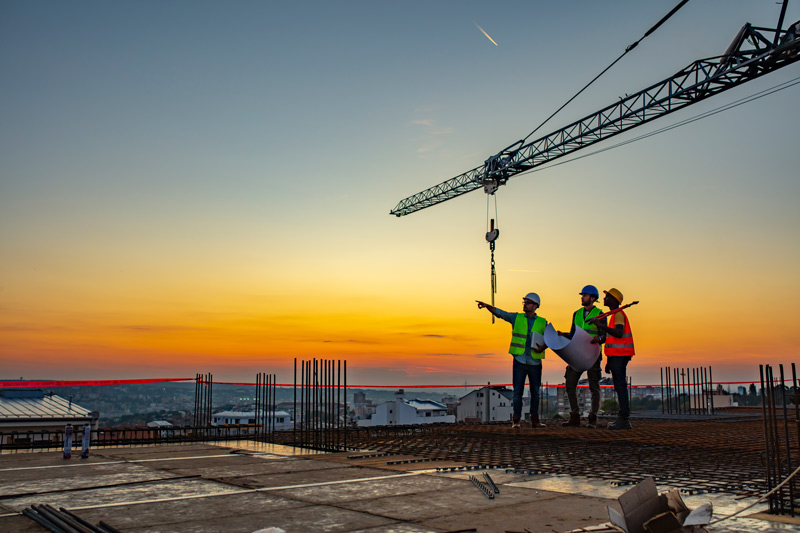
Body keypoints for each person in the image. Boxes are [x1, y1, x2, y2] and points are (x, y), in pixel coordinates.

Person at [476, 293, 548, 428]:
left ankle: (535, 420)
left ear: (535, 306)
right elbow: (501, 313)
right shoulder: (517, 318)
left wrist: (543, 347)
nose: (525, 304)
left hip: (534, 362)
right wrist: (487, 307)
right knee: (517, 392)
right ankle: (516, 421)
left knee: (536, 393)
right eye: (524, 302)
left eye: (528, 302)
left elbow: (551, 339)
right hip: (520, 360)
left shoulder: (543, 322)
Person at [558, 285, 606, 428]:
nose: (582, 297)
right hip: (577, 354)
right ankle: (575, 417)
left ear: (592, 298)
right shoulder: (576, 314)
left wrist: (599, 339)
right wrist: (564, 335)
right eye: (582, 295)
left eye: (584, 295)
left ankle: (592, 418)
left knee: (594, 387)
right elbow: (574, 333)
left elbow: (605, 335)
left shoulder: (600, 314)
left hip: (592, 355)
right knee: (570, 384)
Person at [590, 288, 635, 430]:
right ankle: (623, 418)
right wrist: (609, 361)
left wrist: (601, 326)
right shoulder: (614, 315)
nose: (604, 299)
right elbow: (612, 340)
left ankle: (624, 419)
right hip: (617, 356)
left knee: (620, 386)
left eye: (607, 296)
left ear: (614, 300)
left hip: (620, 356)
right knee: (619, 386)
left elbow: (619, 333)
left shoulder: (618, 315)